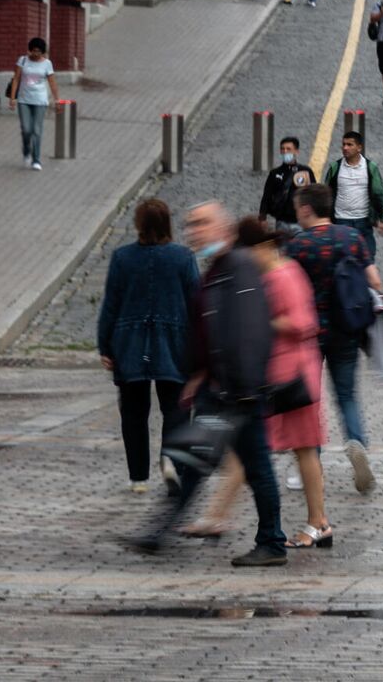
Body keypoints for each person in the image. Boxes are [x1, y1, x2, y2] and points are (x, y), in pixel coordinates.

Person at [128, 202, 284, 567]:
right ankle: (158, 532)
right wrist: (197, 374)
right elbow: (209, 329)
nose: (193, 230)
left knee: (254, 468)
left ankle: (272, 543)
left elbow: (250, 329)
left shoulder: (240, 267)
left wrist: (242, 387)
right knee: (192, 463)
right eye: (190, 224)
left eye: (201, 223)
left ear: (224, 229)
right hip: (220, 388)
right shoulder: (217, 270)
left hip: (239, 391)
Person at [191, 218, 333, 548]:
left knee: (302, 450)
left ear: (263, 247)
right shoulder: (264, 274)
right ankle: (216, 515)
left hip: (293, 379)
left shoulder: (285, 274)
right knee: (249, 448)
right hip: (271, 378)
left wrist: (259, 318)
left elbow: (303, 322)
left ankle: (318, 522)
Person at [282, 183, 383, 495]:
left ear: (306, 209)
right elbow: (375, 280)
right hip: (345, 330)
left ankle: (308, 463)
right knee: (347, 395)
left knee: (308, 401)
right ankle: (356, 442)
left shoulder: (297, 246)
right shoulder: (351, 238)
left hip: (307, 334)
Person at [96, 198, 196, 495]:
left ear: (138, 224)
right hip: (173, 341)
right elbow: (195, 303)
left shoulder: (122, 258)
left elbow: (110, 305)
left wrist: (105, 345)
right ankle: (172, 460)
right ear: (168, 223)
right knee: (176, 408)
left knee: (134, 412)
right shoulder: (183, 257)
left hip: (130, 342)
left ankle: (138, 477)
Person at [322, 130, 383, 258]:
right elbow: (326, 194)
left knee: (367, 258)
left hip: (363, 221)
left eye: (350, 145)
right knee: (342, 258)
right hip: (341, 221)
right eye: (344, 144)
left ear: (359, 148)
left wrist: (382, 219)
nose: (345, 148)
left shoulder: (370, 167)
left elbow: (378, 193)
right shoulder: (335, 167)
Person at [11, 37, 59, 170]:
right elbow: (16, 79)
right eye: (33, 51)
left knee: (36, 130)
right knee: (26, 129)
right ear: (29, 50)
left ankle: (36, 159)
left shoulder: (47, 64)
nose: (35, 54)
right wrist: (12, 98)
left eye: (38, 51)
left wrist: (56, 99)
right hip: (24, 100)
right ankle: (26, 150)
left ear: (43, 52)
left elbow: (52, 82)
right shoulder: (23, 61)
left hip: (40, 101)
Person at [259, 135, 316, 227]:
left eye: (288, 149)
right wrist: (262, 217)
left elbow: (314, 195)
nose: (285, 152)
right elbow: (267, 196)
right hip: (281, 221)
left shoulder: (305, 172)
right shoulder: (274, 173)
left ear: (296, 151)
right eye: (283, 149)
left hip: (300, 222)